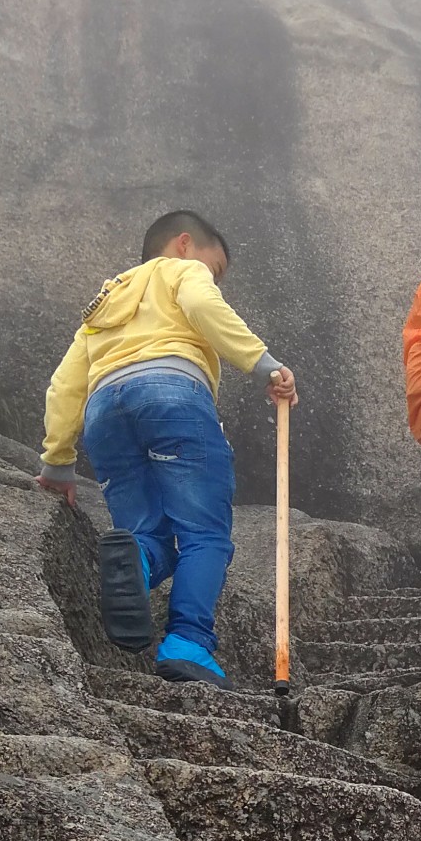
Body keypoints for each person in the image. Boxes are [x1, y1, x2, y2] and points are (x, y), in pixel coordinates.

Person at [36, 210, 296, 688]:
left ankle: (135, 556)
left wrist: (58, 461)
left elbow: (66, 382)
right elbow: (202, 305)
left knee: (147, 531)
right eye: (215, 270)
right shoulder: (182, 272)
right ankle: (188, 644)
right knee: (205, 534)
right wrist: (265, 366)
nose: (214, 280)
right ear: (183, 244)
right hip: (172, 396)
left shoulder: (104, 301)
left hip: (104, 412)